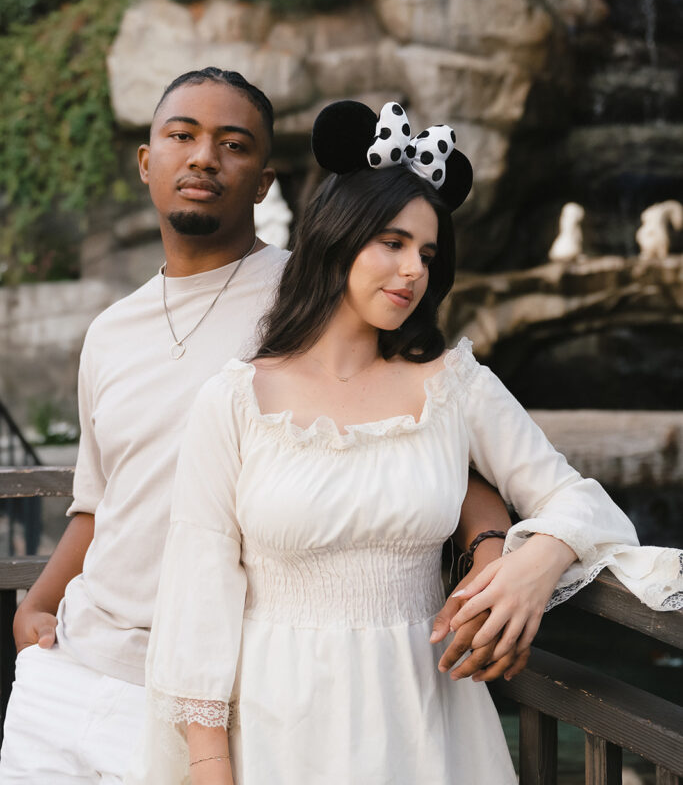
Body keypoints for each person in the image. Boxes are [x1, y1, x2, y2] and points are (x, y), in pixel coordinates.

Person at [129, 99, 683, 785]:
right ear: (337, 236)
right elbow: (196, 595)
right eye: (391, 242)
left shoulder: (454, 386)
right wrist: (210, 765)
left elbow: (583, 501)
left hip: (426, 715)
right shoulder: (236, 399)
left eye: (425, 252)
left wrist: (530, 562)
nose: (412, 270)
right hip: (278, 723)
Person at [0, 74, 514, 784]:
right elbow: (100, 500)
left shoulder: (325, 295)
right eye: (181, 136)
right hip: (73, 669)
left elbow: (442, 438)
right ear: (147, 161)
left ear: (266, 182)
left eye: (232, 144)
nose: (203, 157)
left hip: (209, 690)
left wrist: (491, 554)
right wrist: (39, 602)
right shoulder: (110, 331)